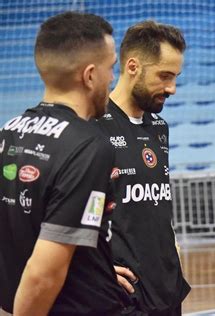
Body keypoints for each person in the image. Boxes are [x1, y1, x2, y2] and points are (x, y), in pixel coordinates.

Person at [0, 11, 124, 315]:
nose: (113, 79)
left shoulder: (8, 131)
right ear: (90, 75)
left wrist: (97, 266)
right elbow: (44, 274)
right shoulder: (89, 146)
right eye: (112, 69)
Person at [96, 21, 190, 315]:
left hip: (166, 288)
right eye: (164, 76)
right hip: (122, 295)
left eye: (175, 77)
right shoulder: (92, 127)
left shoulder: (159, 127)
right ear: (133, 66)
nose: (172, 88)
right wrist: (95, 271)